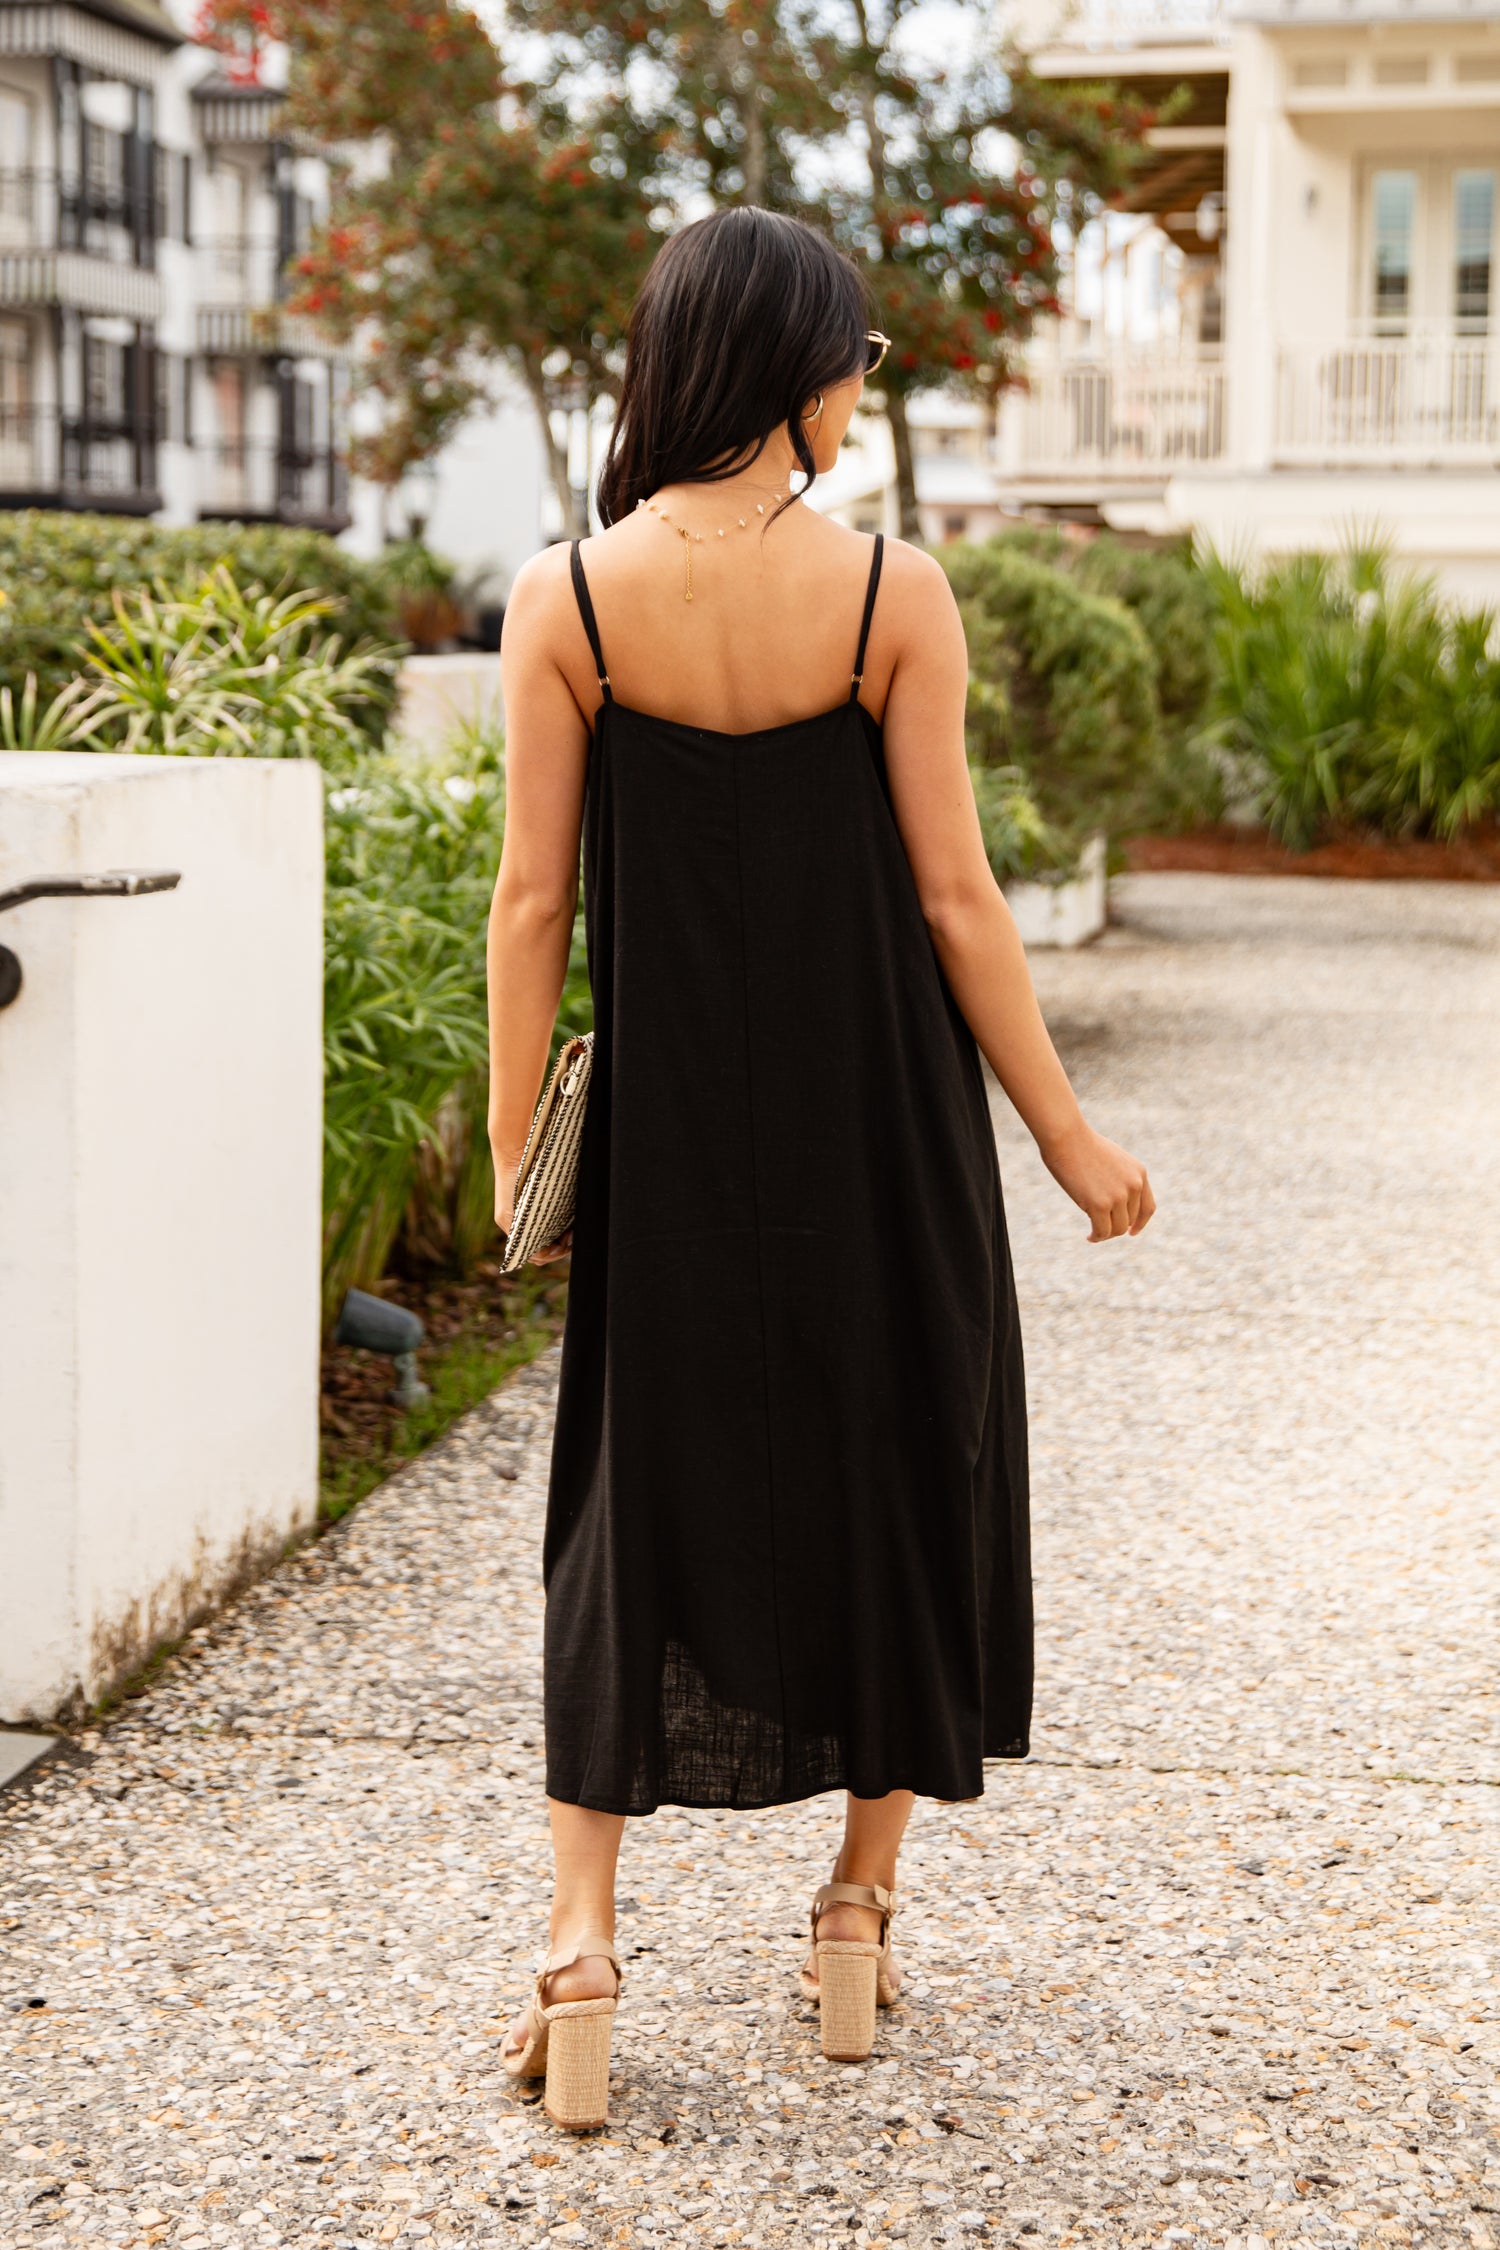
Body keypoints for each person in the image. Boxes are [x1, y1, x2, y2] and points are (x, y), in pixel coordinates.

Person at [485, 206, 1154, 2130]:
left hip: (670, 1149)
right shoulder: (890, 599)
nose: (860, 390)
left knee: (632, 1502)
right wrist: (1066, 1132)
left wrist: (533, 1157)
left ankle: (584, 1945)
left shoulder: (569, 603)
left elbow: (531, 902)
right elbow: (957, 897)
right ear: (786, 367)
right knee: (899, 1463)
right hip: (883, 1131)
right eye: (851, 356)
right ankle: (856, 1911)